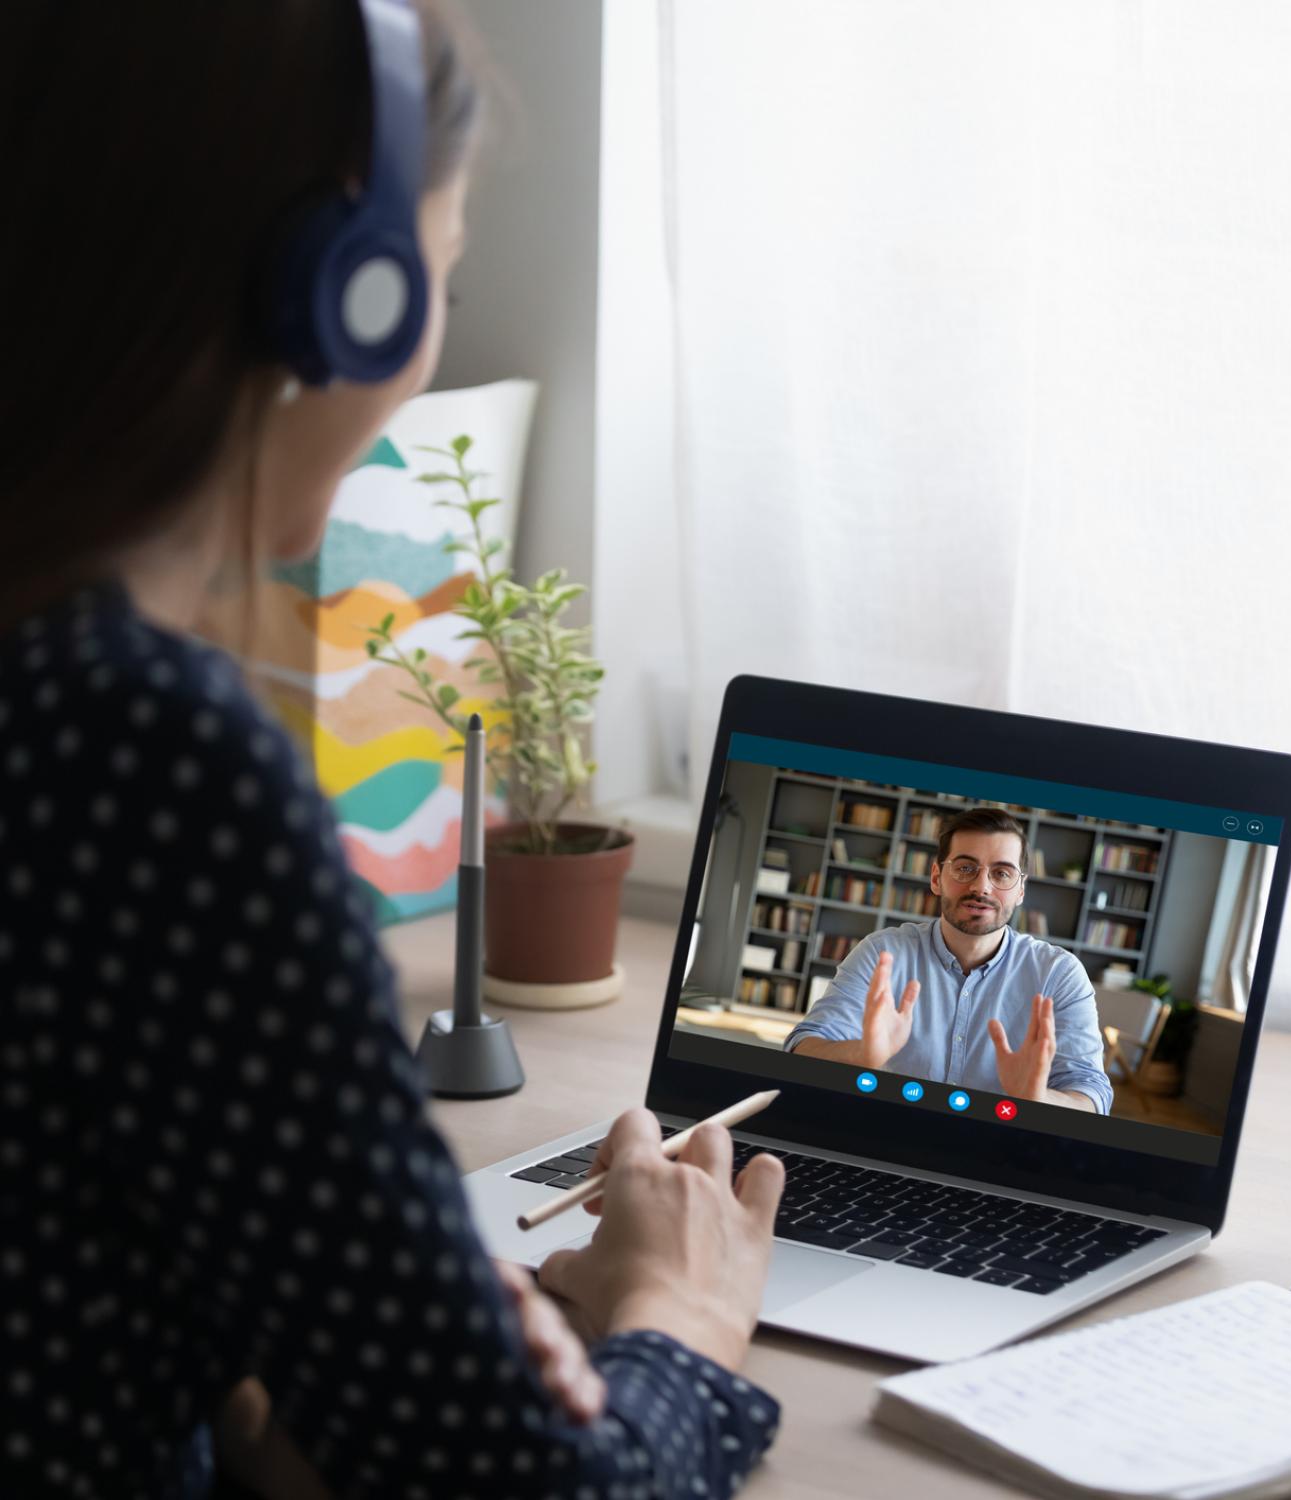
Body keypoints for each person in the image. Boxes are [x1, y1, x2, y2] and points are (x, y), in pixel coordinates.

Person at [0, 3, 784, 1495]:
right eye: (443, 273)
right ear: (338, 297)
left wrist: (286, 1370)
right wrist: (683, 1314)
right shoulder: (145, 754)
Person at [785, 809, 1113, 1114]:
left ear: (1021, 890)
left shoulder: (1060, 974)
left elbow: (1092, 1095)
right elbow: (802, 1048)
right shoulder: (881, 952)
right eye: (965, 868)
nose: (981, 887)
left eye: (1002, 873)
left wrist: (1037, 1098)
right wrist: (861, 1055)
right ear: (936, 877)